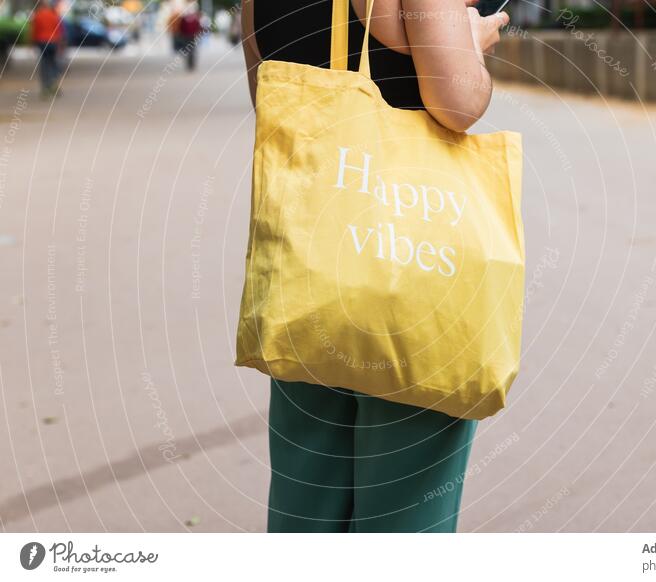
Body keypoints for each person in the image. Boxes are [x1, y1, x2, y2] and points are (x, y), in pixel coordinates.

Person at [240, 0, 508, 533]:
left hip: (309, 269)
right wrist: (470, 43)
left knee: (304, 505)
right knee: (406, 513)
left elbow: (274, 103)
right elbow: (457, 102)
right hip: (410, 280)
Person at [31, 0, 64, 97]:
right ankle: (53, 84)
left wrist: (31, 43)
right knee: (53, 62)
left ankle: (45, 88)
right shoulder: (53, 15)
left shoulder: (38, 15)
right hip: (53, 41)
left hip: (42, 42)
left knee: (44, 64)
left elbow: (34, 30)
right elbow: (59, 30)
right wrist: (60, 44)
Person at [177, 2, 202, 71]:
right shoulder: (183, 19)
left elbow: (198, 27)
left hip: (193, 36)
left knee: (193, 51)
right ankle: (188, 64)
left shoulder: (195, 19)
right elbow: (181, 28)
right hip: (185, 37)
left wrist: (197, 34)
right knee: (187, 51)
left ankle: (192, 64)